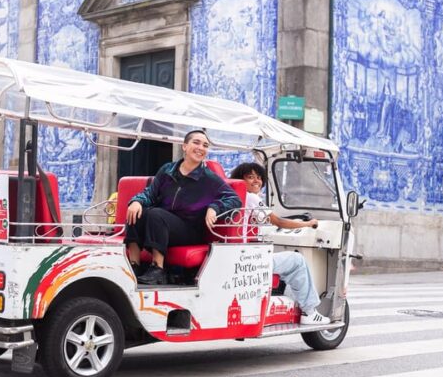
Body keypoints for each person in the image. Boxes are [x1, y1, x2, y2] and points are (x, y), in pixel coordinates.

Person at [125, 130, 242, 285]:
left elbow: (234, 199)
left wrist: (215, 207)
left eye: (205, 145)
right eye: (196, 142)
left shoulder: (209, 178)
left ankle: (157, 268)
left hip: (190, 230)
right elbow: (150, 194)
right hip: (161, 227)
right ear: (185, 146)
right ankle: (134, 265)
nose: (201, 147)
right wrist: (136, 201)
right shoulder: (167, 170)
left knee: (156, 214)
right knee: (136, 211)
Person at [230, 162, 330, 326]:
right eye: (250, 177)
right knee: (297, 261)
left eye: (259, 177)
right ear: (240, 181)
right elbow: (278, 222)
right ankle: (309, 311)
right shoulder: (252, 198)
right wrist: (306, 224)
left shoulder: (234, 198)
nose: (257, 181)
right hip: (249, 259)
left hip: (239, 254)